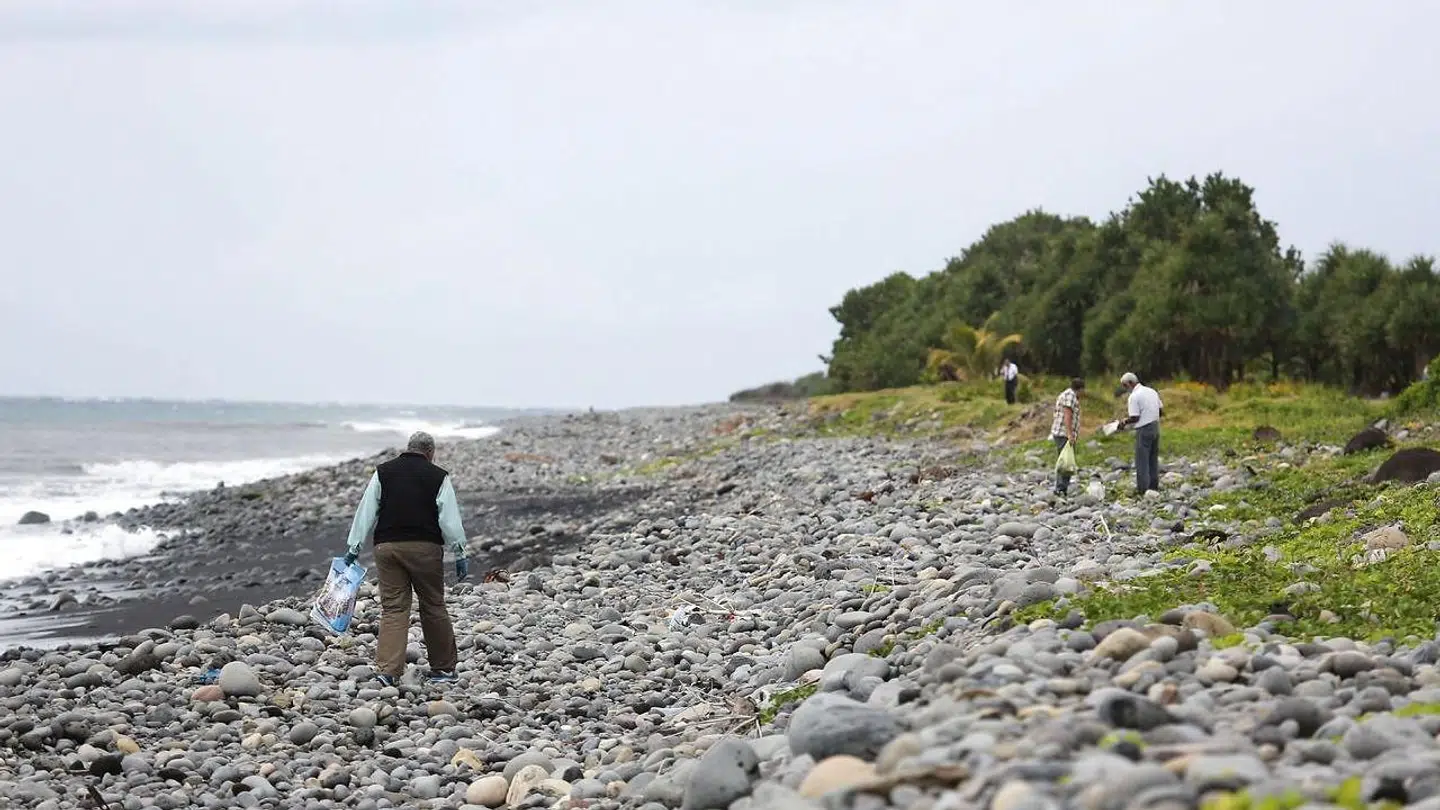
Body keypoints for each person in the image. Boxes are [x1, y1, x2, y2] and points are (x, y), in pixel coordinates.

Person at [343, 431, 470, 686]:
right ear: (430, 453)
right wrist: (460, 552)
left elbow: (366, 510)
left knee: (393, 608)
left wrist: (354, 547)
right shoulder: (438, 476)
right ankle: (443, 669)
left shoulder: (384, 471)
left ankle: (388, 671)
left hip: (387, 548)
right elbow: (449, 519)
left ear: (408, 448)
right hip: (425, 548)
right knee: (433, 604)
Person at [1118, 372, 1164, 495]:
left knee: (1142, 459)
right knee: (1153, 458)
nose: (1125, 389)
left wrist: (1124, 422)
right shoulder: (1152, 391)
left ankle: (1143, 489)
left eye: (1125, 386)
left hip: (1143, 429)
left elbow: (1135, 417)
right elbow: (1160, 411)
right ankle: (1154, 486)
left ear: (1130, 384)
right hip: (1155, 426)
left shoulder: (1134, 396)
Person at [1049, 377, 1084, 496]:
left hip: (1062, 433)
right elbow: (1067, 415)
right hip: (1063, 433)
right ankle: (1060, 488)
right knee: (1065, 462)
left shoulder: (1067, 394)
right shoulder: (1070, 396)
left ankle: (1062, 488)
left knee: (1065, 460)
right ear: (1080, 389)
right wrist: (1070, 434)